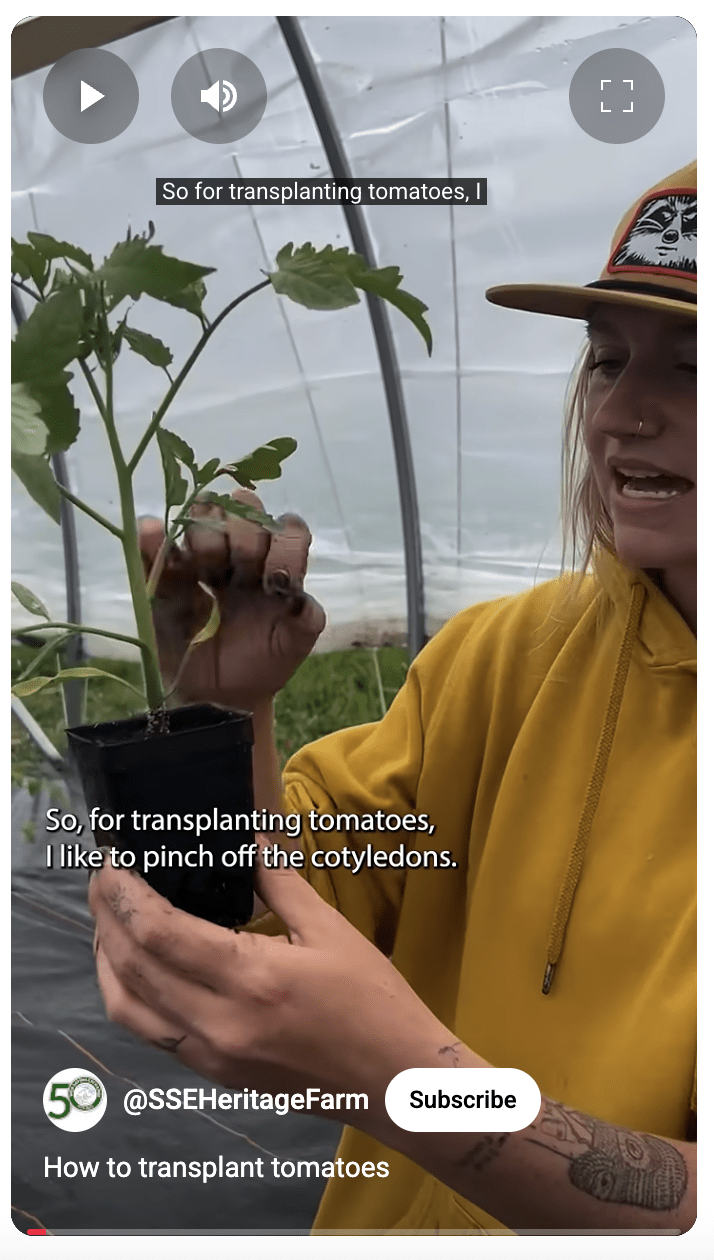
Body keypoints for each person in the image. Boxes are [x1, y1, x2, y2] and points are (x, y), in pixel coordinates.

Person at [89, 161, 696, 1234]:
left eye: (698, 367)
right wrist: (223, 720)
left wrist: (409, 1083)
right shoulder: (505, 658)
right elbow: (271, 921)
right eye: (608, 361)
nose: (624, 413)